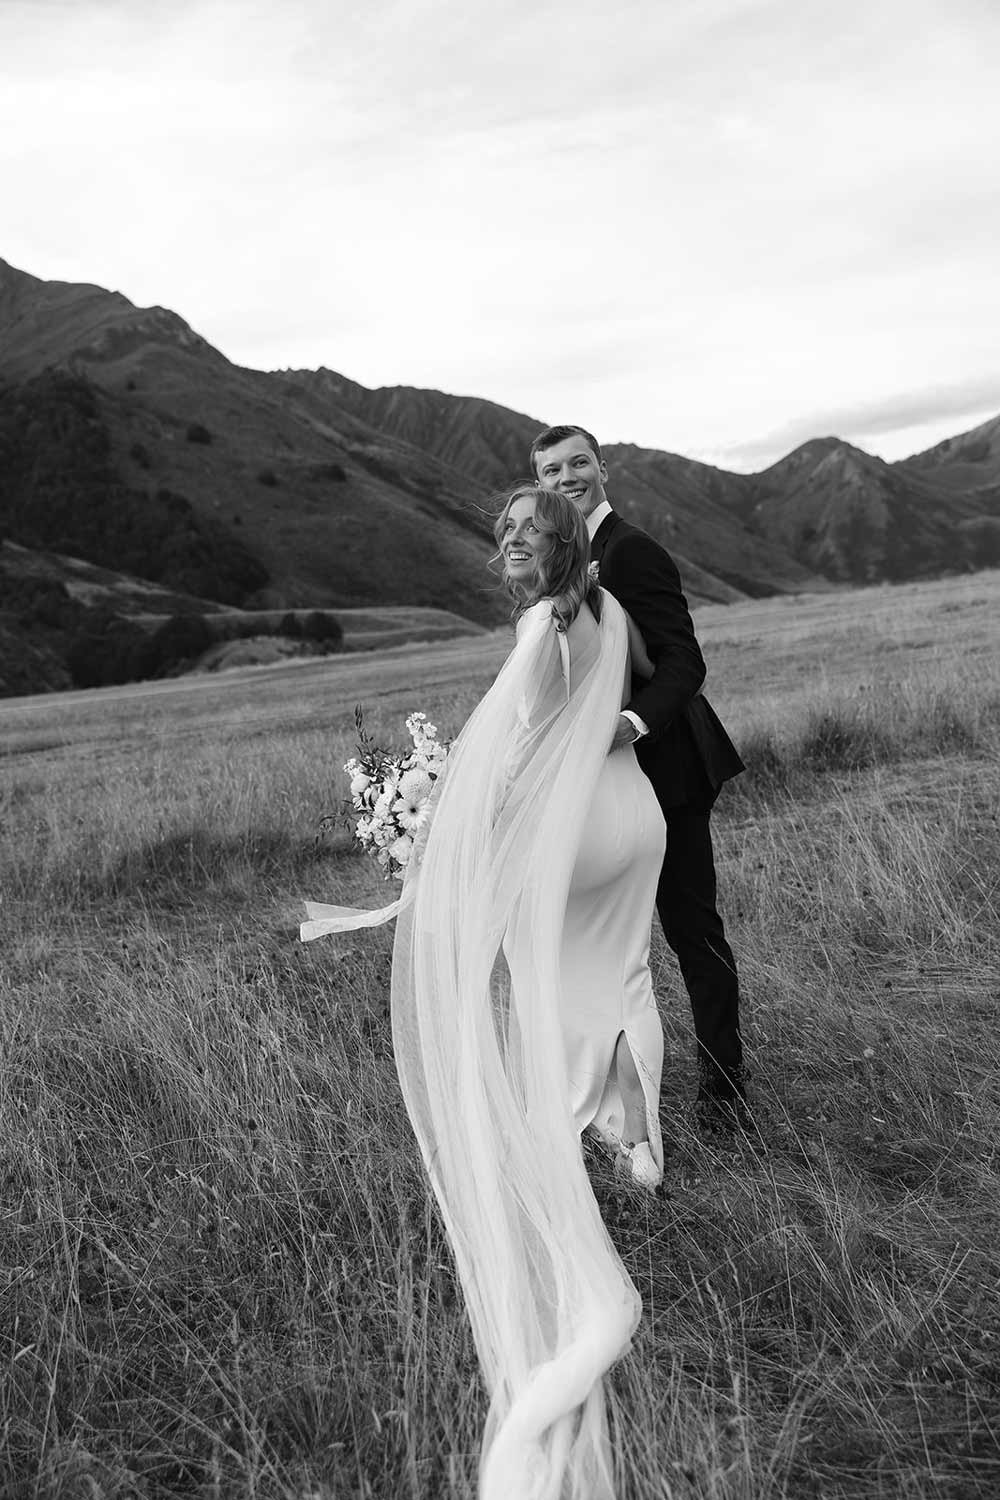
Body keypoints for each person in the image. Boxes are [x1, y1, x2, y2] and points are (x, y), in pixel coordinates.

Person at [301, 485, 667, 1500]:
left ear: (545, 551)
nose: (510, 547)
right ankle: (634, 1133)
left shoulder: (537, 623)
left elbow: (512, 744)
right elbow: (629, 686)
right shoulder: (607, 609)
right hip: (636, 815)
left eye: (524, 537)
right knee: (618, 971)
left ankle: (583, 1120)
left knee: (531, 978)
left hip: (574, 835)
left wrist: (439, 816)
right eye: (505, 534)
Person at [531, 424, 747, 1129]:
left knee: (691, 929)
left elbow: (684, 662)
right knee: (607, 939)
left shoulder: (633, 551)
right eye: (551, 470)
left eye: (578, 464)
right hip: (602, 781)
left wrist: (628, 726)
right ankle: (611, 1095)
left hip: (666, 764)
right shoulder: (558, 560)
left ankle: (725, 1094)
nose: (567, 478)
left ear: (602, 467)